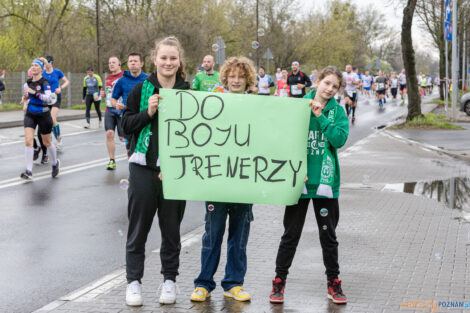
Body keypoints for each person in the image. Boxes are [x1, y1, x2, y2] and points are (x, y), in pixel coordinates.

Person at [270, 66, 349, 305]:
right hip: (299, 182)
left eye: (335, 87)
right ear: (317, 81)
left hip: (325, 184)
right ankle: (279, 281)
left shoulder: (337, 112)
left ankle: (333, 283)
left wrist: (321, 117)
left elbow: (339, 139)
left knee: (329, 236)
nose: (329, 89)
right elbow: (282, 136)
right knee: (290, 235)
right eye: (326, 83)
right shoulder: (299, 104)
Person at [122, 36, 189, 306]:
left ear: (179, 61)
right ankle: (134, 282)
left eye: (173, 58)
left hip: (174, 172)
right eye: (164, 58)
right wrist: (148, 113)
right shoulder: (141, 90)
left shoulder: (189, 92)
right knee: (138, 229)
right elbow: (126, 125)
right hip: (143, 168)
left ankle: (169, 280)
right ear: (155, 60)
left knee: (171, 230)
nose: (168, 62)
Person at [190, 56, 257, 303]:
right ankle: (203, 283)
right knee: (212, 233)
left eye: (241, 77)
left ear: (247, 79)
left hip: (244, 179)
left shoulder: (256, 105)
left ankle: (234, 283)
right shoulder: (211, 102)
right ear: (225, 78)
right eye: (232, 76)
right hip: (217, 178)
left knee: (239, 236)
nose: (236, 81)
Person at [20, 58, 60, 180]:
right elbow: (29, 94)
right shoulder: (29, 82)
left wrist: (35, 93)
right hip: (30, 113)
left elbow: (49, 99)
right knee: (28, 141)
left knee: (47, 142)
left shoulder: (45, 83)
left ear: (41, 68)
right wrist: (25, 98)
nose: (33, 67)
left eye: (36, 65)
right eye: (32, 65)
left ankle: (55, 163)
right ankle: (28, 170)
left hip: (43, 114)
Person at [110, 53, 149, 167]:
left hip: (145, 117)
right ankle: (132, 169)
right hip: (129, 118)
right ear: (127, 64)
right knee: (130, 147)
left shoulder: (148, 79)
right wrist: (116, 104)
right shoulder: (122, 81)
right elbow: (113, 99)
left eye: (135, 61)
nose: (133, 63)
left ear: (141, 64)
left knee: (145, 145)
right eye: (130, 61)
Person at [42, 56, 69, 150]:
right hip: (46, 99)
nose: (46, 64)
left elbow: (66, 81)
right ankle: (49, 140)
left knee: (52, 118)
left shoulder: (57, 72)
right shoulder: (42, 73)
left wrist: (60, 88)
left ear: (51, 62)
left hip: (56, 98)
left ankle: (59, 140)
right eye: (44, 63)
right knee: (47, 120)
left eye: (47, 62)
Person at [101, 56, 123, 169]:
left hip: (121, 110)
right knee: (109, 134)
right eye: (109, 63)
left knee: (122, 138)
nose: (111, 64)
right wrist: (103, 95)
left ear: (119, 64)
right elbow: (109, 93)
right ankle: (112, 160)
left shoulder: (125, 76)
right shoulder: (108, 78)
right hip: (109, 110)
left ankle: (133, 157)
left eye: (113, 62)